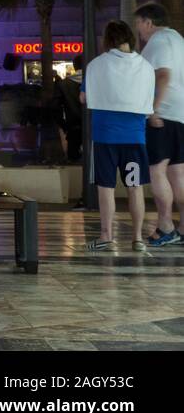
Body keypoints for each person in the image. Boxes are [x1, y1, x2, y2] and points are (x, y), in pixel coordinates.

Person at [84, 19, 154, 253]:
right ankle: (137, 239)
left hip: (105, 136)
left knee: (106, 187)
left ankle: (106, 236)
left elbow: (85, 98)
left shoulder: (96, 65)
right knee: (135, 187)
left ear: (108, 40)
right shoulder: (145, 66)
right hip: (135, 138)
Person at [134, 2, 184, 247]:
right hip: (180, 114)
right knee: (178, 172)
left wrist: (153, 108)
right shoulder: (179, 40)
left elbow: (162, 75)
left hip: (162, 115)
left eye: (139, 25)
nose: (139, 32)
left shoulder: (158, 42)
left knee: (157, 171)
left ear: (148, 22)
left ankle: (165, 226)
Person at [57, 55, 84, 163]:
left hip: (73, 126)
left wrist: (64, 126)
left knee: (73, 160)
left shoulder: (63, 84)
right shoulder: (95, 81)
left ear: (74, 66)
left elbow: (56, 107)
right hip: (93, 127)